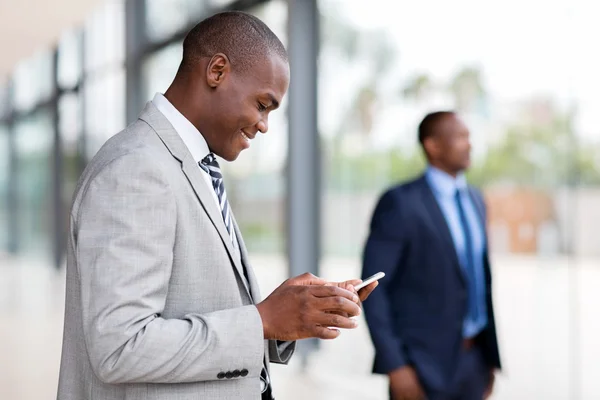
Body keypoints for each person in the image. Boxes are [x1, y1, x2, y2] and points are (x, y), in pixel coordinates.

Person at [57, 11, 377, 400]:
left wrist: (285, 317)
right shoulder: (136, 168)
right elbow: (120, 346)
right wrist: (261, 320)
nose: (263, 125)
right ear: (217, 71)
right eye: (263, 104)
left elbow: (197, 304)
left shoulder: (192, 164)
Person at [361, 111, 501, 400]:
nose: (469, 145)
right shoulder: (400, 203)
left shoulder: (476, 199)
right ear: (433, 145)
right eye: (461, 137)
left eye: (469, 137)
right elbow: (374, 288)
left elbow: (477, 282)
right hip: (420, 368)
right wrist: (396, 367)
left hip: (474, 362)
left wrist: (489, 360)